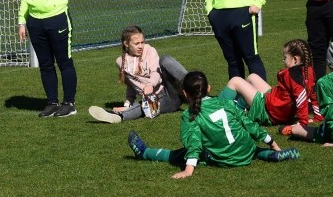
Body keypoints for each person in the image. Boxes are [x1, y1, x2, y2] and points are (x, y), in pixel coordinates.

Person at [126, 71, 300, 179]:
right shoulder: (227, 103)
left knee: (179, 154)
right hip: (245, 150)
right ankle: (271, 154)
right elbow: (251, 126)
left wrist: (188, 170)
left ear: (185, 94)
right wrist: (274, 144)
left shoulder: (190, 115)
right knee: (250, 148)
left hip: (225, 159)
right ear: (209, 88)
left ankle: (145, 153)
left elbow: (194, 143)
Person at [17, 0, 98, 118]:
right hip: (35, 22)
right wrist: (22, 21)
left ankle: (69, 103)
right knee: (45, 65)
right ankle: (52, 102)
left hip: (57, 18)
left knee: (64, 62)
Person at [88, 25, 187, 124]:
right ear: (126, 43)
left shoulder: (150, 51)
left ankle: (197, 87)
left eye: (142, 42)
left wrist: (150, 84)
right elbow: (131, 85)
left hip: (170, 91)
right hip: (156, 100)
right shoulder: (121, 62)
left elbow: (155, 72)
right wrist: (127, 105)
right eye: (136, 43)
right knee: (142, 107)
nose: (140, 46)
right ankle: (118, 117)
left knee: (165, 59)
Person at [220, 39, 320, 128]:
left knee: (235, 81)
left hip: (269, 112)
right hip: (276, 104)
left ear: (295, 59)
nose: (283, 60)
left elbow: (301, 96)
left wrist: (303, 123)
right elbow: (313, 93)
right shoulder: (309, 71)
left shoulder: (291, 74)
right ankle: (239, 111)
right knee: (252, 77)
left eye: (285, 57)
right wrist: (318, 116)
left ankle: (216, 111)